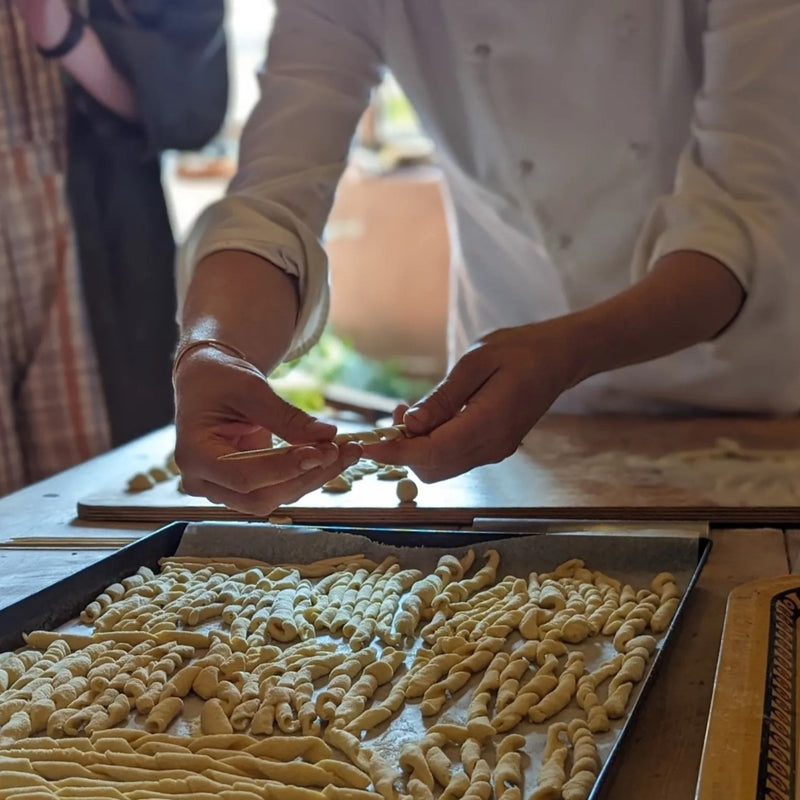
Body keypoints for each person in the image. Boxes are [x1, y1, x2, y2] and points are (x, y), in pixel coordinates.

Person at [172, 1, 800, 516]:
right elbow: (273, 198)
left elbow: (742, 210)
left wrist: (570, 349)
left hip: (739, 395)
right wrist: (213, 350)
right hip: (507, 420)